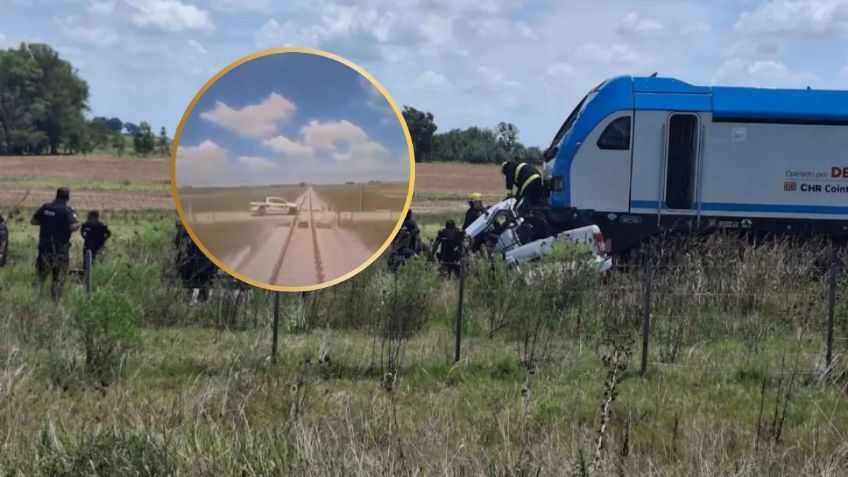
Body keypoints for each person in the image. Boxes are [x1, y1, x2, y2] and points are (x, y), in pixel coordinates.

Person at [31, 187, 80, 300]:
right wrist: (79, 224)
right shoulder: (67, 211)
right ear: (68, 197)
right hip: (60, 251)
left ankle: (33, 300)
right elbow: (72, 227)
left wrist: (48, 222)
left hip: (44, 249)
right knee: (58, 279)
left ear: (56, 195)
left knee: (40, 277)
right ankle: (55, 304)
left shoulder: (46, 207)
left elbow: (33, 221)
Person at [174, 221, 216, 303]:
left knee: (190, 273)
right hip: (202, 263)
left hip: (198, 262)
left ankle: (191, 298)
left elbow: (178, 238)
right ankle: (198, 298)